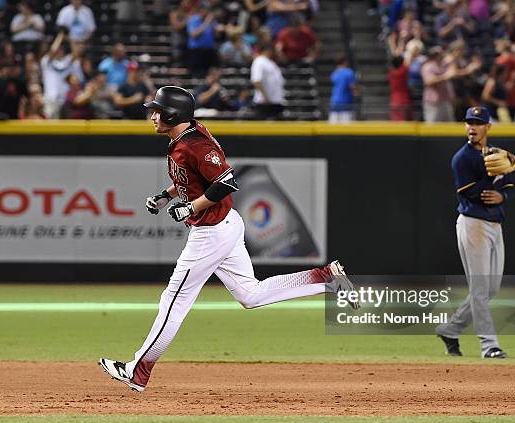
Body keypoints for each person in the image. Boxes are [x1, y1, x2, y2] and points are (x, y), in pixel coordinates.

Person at [98, 85, 358, 392]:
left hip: (211, 232)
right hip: (225, 225)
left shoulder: (194, 144)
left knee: (173, 301)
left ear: (172, 114)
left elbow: (226, 182)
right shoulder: (184, 138)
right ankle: (325, 278)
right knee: (250, 294)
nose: (152, 116)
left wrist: (191, 208)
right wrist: (165, 196)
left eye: (156, 110)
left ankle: (138, 370)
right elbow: (191, 178)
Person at [436, 106, 515, 360]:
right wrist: (491, 183)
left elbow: (509, 187)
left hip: (495, 225)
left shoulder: (496, 154)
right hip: (473, 224)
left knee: (491, 289)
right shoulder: (462, 158)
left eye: (477, 123)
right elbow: (471, 193)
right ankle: (489, 345)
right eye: (469, 122)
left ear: (487, 127)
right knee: (480, 288)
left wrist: (502, 195)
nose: (472, 127)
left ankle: (450, 329)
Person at [40, 30, 78, 119]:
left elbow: (76, 54)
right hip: (50, 100)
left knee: (65, 129)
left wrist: (69, 38)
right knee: (51, 128)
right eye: (58, 49)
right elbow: (53, 50)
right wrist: (61, 35)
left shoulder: (65, 63)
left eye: (61, 49)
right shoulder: (46, 62)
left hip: (65, 101)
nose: (59, 50)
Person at [421, 46, 455, 122]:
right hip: (433, 103)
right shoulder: (428, 66)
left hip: (445, 101)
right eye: (436, 54)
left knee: (449, 128)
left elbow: (453, 72)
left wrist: (451, 61)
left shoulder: (443, 65)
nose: (439, 55)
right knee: (432, 127)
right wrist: (445, 76)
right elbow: (429, 81)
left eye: (440, 53)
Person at [250, 44, 285, 119]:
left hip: (276, 101)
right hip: (264, 103)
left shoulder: (271, 62)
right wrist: (265, 97)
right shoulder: (259, 61)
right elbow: (256, 81)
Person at [329, 56, 358, 123]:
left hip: (334, 102)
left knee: (333, 127)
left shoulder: (334, 73)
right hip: (346, 103)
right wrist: (357, 92)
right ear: (345, 62)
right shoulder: (348, 72)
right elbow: (352, 86)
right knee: (346, 128)